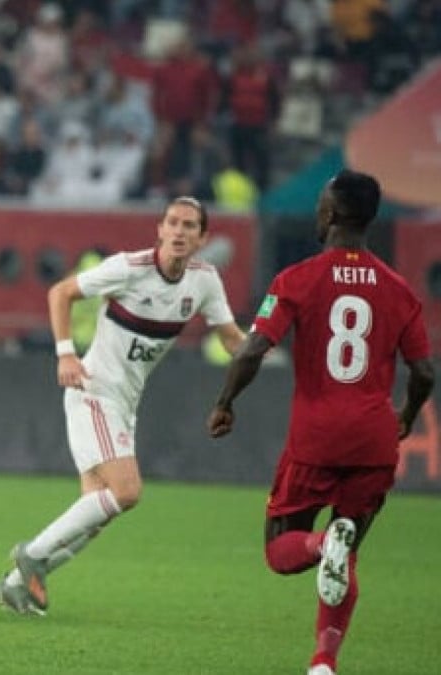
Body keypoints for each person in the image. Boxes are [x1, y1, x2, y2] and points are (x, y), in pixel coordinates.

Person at [207, 170, 434, 675]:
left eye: (320, 204)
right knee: (348, 546)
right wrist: (407, 415)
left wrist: (225, 402)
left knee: (281, 549)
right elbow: (423, 371)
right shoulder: (400, 290)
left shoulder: (296, 280)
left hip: (316, 439)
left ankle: (318, 544)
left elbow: (253, 350)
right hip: (375, 442)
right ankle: (323, 663)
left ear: (330, 214)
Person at [0, 196, 247, 616]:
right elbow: (61, 292)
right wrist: (65, 354)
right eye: (172, 223)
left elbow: (232, 340)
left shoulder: (203, 281)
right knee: (127, 492)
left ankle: (16, 586)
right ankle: (32, 554)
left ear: (202, 239)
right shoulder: (130, 268)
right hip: (94, 392)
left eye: (189, 226)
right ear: (160, 230)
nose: (179, 232)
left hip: (125, 403)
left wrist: (268, 342)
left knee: (97, 513)